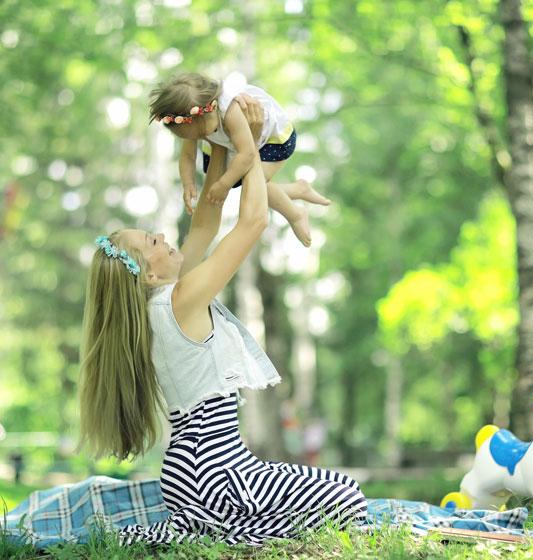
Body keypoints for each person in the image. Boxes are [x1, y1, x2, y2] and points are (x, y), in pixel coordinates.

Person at [77, 113, 366, 546]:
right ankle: (212, 529)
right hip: (214, 471)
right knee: (347, 497)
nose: (161, 235)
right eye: (151, 242)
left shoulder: (165, 301)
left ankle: (208, 527)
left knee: (330, 497)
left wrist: (220, 147)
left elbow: (207, 221)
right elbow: (252, 224)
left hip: (197, 468)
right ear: (148, 276)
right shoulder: (179, 300)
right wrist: (248, 146)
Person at [149, 72, 331, 247]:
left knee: (257, 187)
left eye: (203, 134)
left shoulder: (230, 110)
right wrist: (188, 184)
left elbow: (247, 154)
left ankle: (295, 214)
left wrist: (224, 183)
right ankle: (297, 189)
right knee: (251, 186)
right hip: (236, 143)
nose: (201, 138)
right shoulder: (195, 119)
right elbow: (188, 156)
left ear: (209, 110)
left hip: (271, 140)